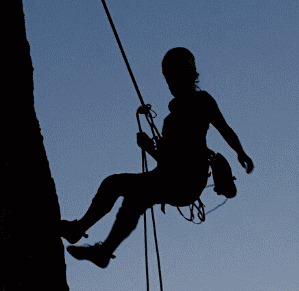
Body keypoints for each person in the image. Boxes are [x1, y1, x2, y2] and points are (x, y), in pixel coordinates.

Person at [60, 47, 254, 267]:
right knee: (130, 196)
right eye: (168, 79)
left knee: (117, 186)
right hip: (174, 180)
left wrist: (241, 152)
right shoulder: (171, 118)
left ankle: (83, 233)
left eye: (173, 78)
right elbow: (168, 161)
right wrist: (149, 148)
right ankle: (99, 248)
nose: (170, 84)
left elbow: (223, 129)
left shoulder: (201, 101)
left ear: (187, 76)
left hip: (185, 181)